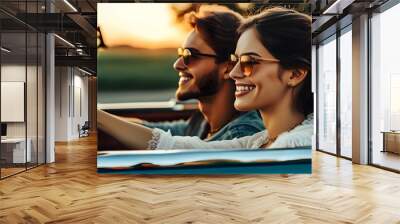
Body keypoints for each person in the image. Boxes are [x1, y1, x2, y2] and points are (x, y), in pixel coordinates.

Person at [97, 7, 313, 150]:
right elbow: (170, 143)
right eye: (236, 61)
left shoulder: (295, 144)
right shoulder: (259, 141)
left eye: (248, 62)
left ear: (295, 74)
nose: (235, 73)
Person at [127, 5, 264, 141]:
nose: (177, 65)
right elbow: (154, 131)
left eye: (190, 55)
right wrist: (105, 120)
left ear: (229, 67)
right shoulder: (204, 122)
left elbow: (164, 142)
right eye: (181, 53)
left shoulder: (240, 136)